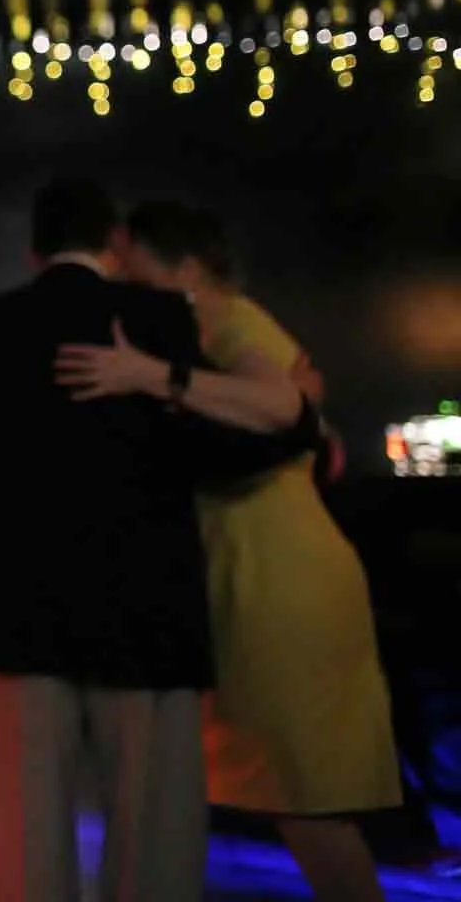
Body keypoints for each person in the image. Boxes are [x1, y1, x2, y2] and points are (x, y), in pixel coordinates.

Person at [0, 179, 321, 902]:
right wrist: (301, 419)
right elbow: (218, 441)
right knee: (151, 837)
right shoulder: (156, 318)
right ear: (113, 244)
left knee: (26, 836)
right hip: (144, 612)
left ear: (35, 250)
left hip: (22, 615)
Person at [56, 201, 398, 902]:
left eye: (133, 260)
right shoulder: (208, 325)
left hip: (279, 575)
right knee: (291, 794)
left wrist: (150, 377)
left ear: (185, 268)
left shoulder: (230, 320)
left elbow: (284, 407)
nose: (120, 273)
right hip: (256, 567)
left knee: (306, 798)